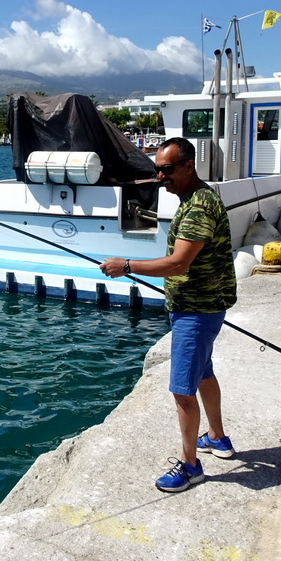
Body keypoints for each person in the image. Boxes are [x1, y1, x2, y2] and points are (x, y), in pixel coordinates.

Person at [100, 137, 237, 493]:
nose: (161, 176)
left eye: (167, 170)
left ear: (188, 165)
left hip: (197, 311)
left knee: (182, 391)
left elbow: (177, 264)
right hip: (201, 307)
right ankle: (218, 438)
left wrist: (125, 265)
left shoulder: (198, 208)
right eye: (157, 170)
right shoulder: (196, 198)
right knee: (203, 374)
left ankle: (191, 466)